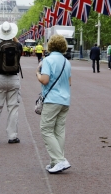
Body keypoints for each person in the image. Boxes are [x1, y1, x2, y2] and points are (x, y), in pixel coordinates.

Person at [36, 34, 72, 174]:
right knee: (59, 131)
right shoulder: (66, 62)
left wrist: (37, 74)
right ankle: (55, 161)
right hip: (65, 100)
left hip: (52, 99)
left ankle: (59, 160)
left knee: (45, 129)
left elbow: (45, 80)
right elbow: (69, 82)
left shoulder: (48, 60)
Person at [0, 21, 22, 144]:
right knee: (13, 109)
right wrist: (13, 36)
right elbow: (19, 44)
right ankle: (12, 136)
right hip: (13, 79)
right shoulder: (17, 46)